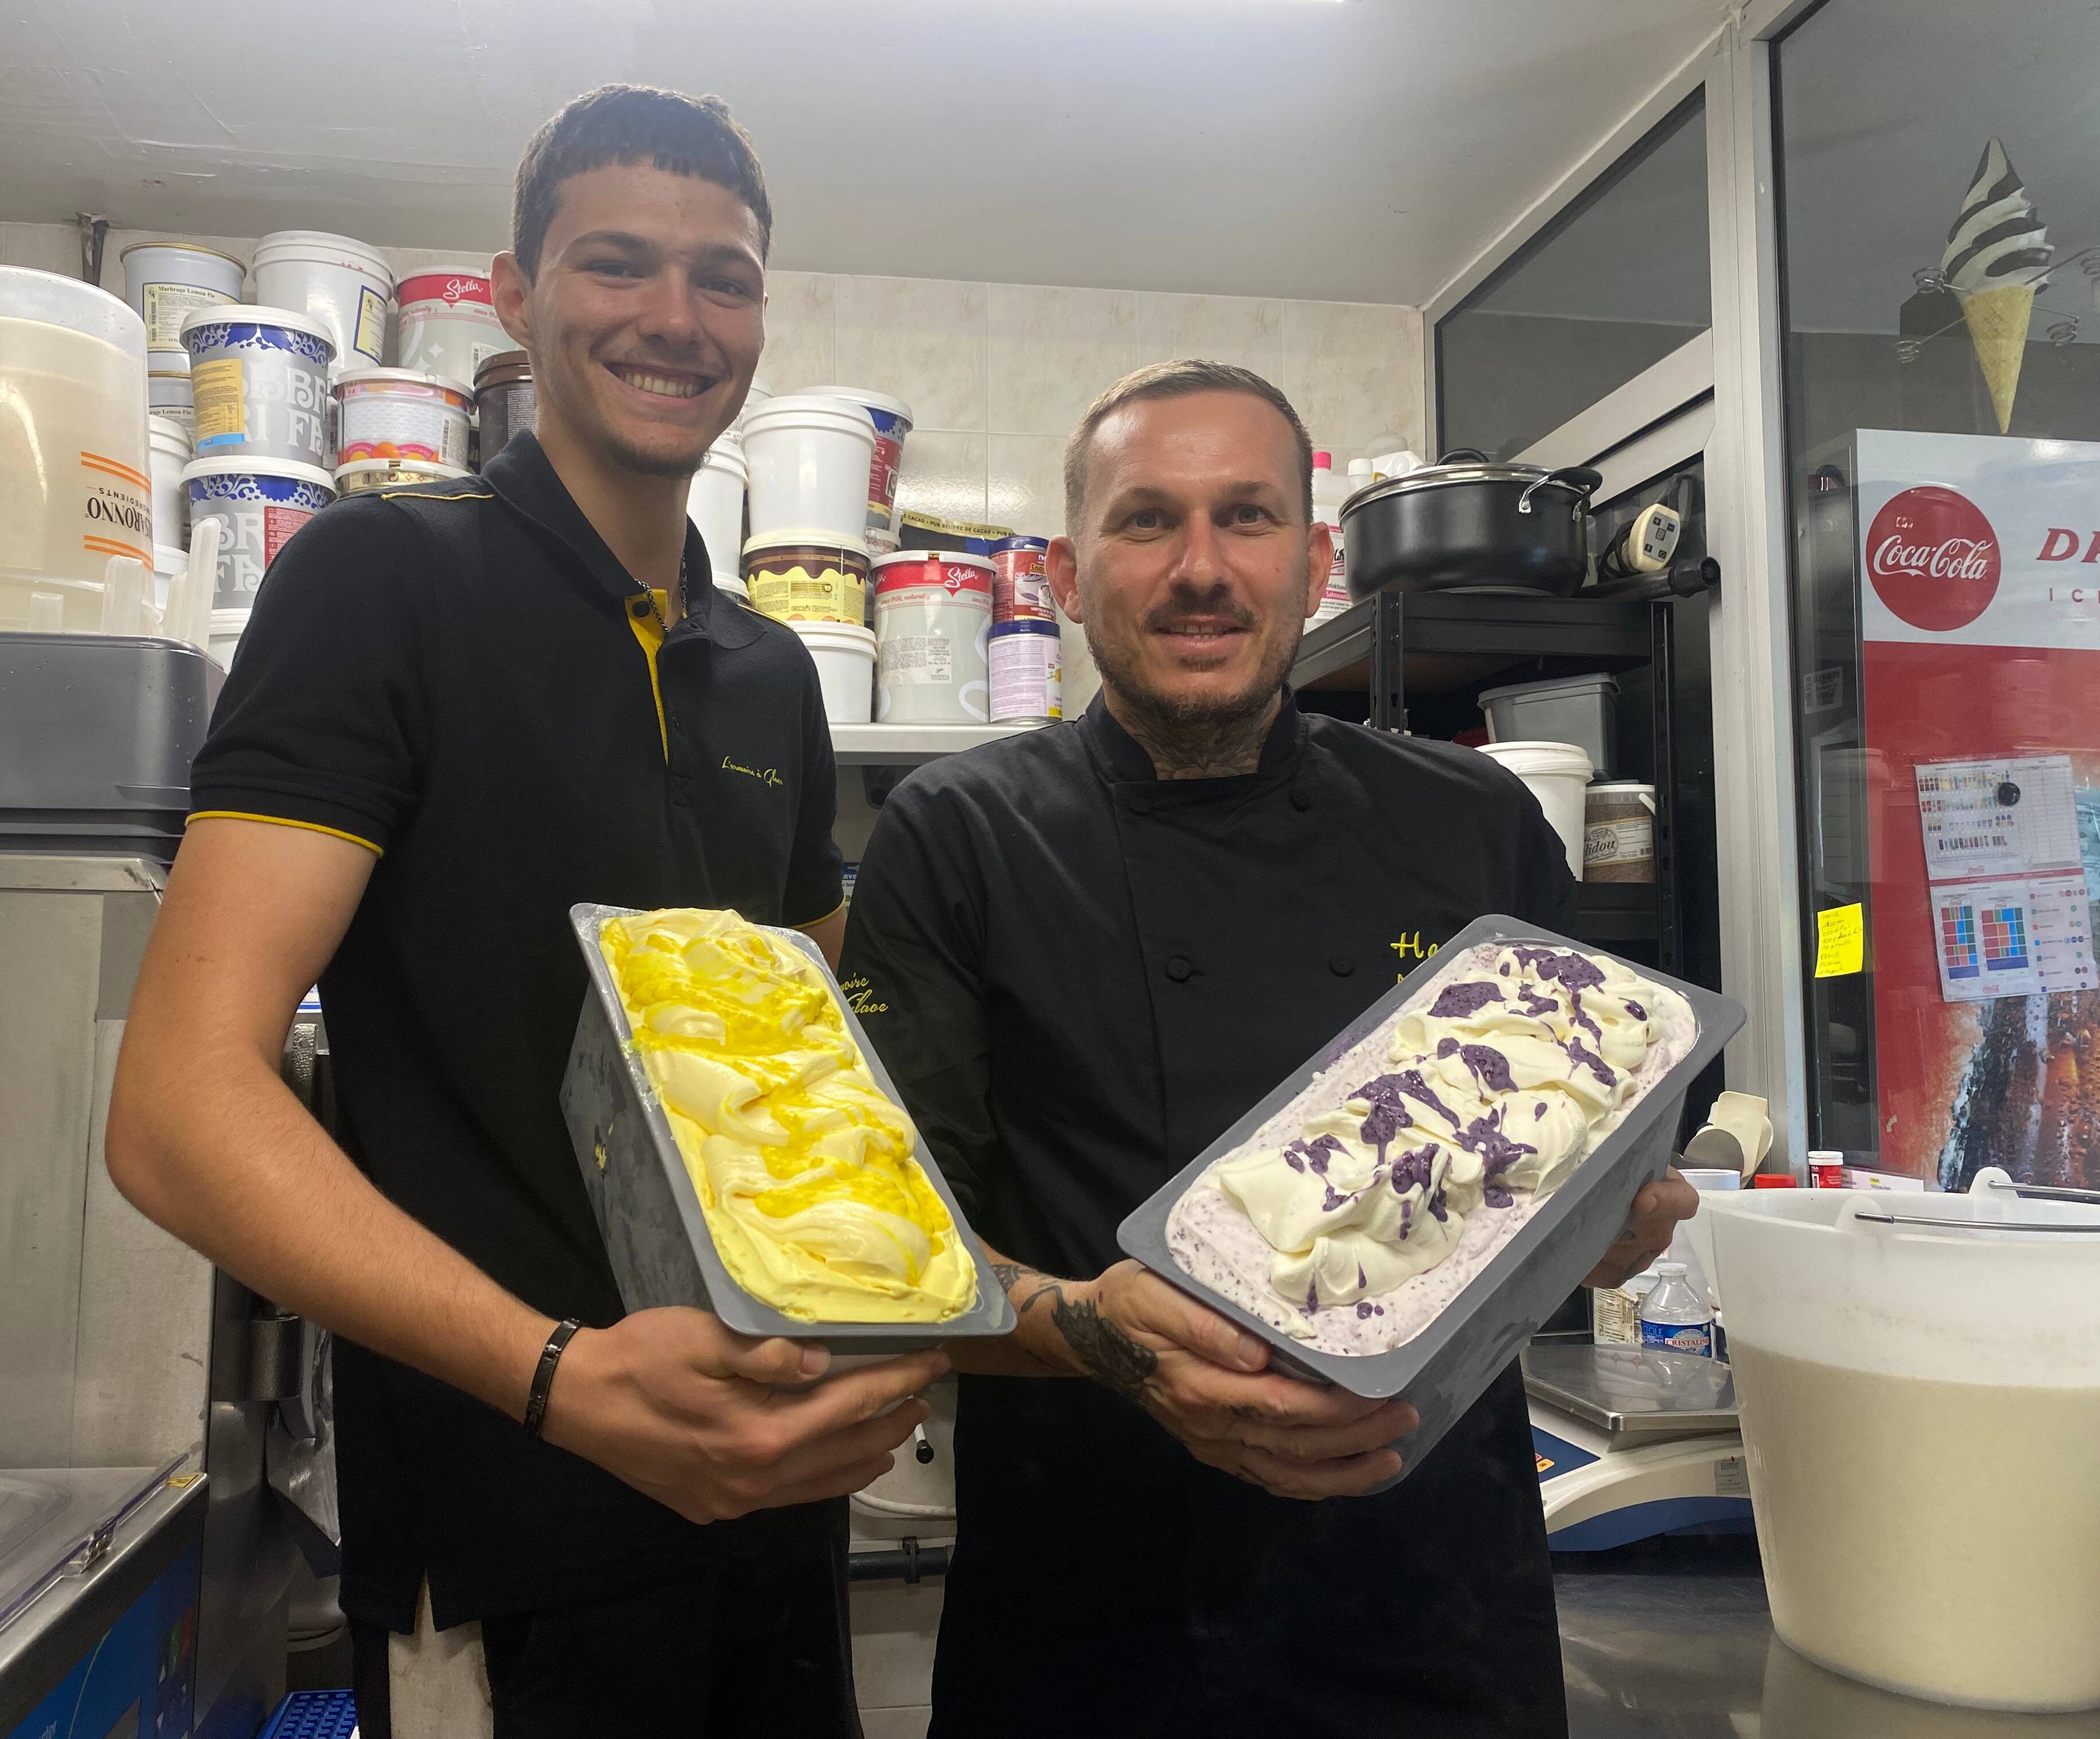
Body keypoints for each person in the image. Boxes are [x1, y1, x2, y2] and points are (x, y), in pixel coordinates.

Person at [106, 85, 944, 1739]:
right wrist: (561, 1377)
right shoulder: (380, 584)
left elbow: (817, 1072)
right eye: (617, 264)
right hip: (509, 1534)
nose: (675, 319)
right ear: (514, 291)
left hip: (774, 1506)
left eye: (726, 278)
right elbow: (177, 1111)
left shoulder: (769, 673)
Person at [839, 361, 1700, 1738]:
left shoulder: (1474, 827)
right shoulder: (957, 839)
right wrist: (1100, 1335)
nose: (1201, 569)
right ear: (1065, 571)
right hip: (1086, 1624)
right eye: (1145, 521)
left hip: (1431, 1618)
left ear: (1315, 565)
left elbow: (1581, 1159)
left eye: (1245, 520)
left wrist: (1605, 1222)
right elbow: (890, 1255)